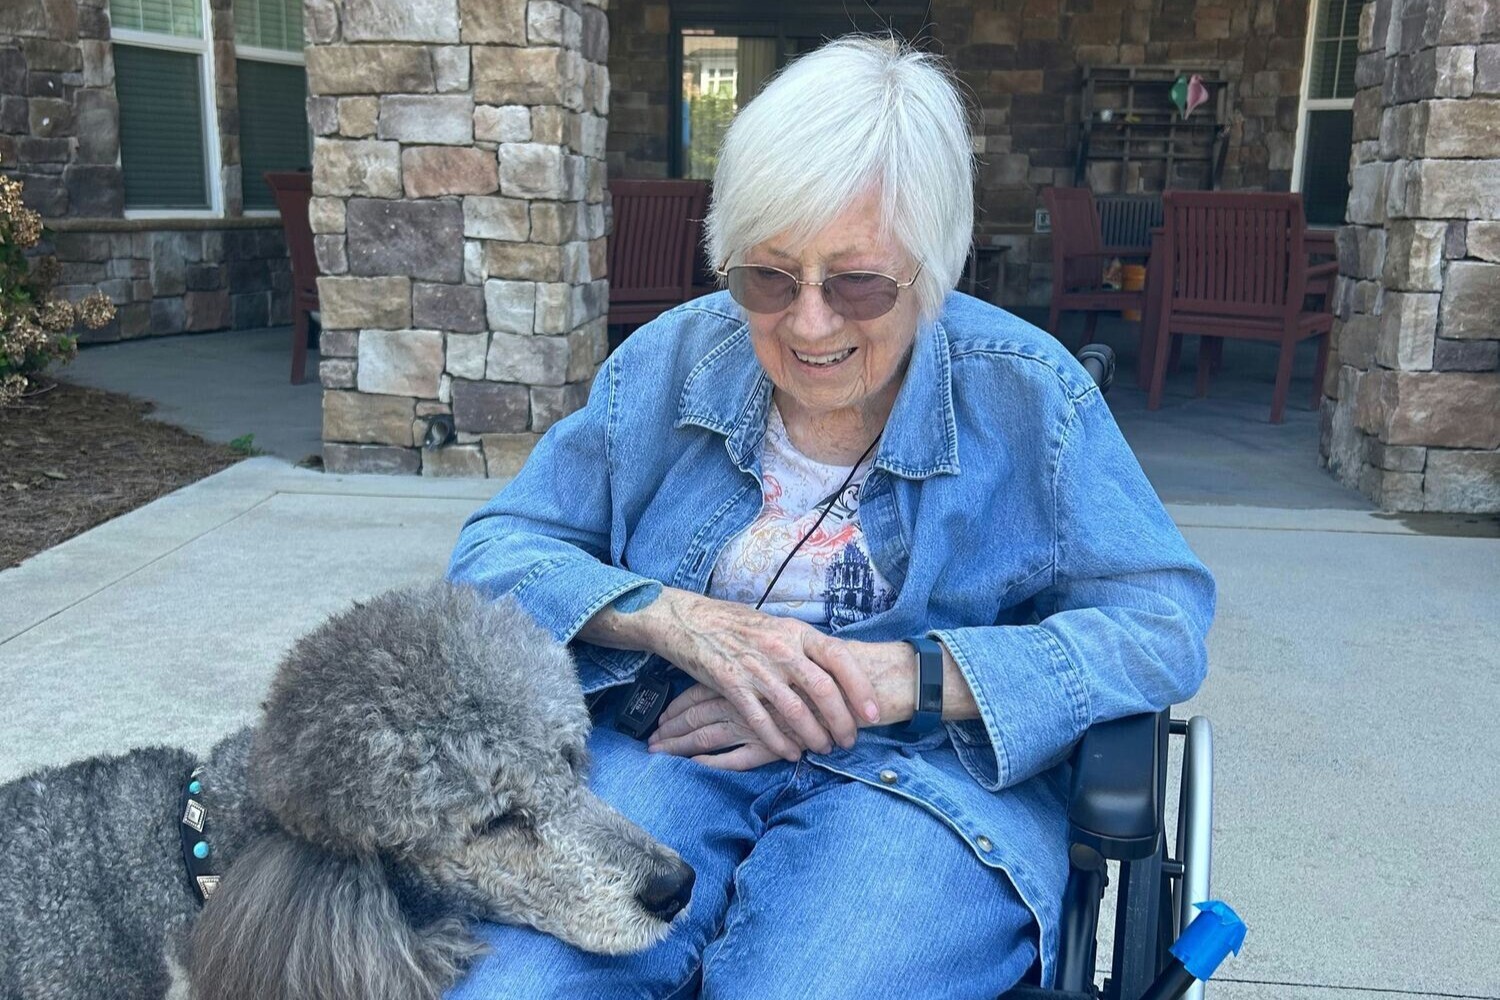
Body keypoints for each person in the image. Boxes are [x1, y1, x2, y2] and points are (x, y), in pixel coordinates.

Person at [446, 35, 1215, 1000]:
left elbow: (1162, 625)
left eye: (857, 283)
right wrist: (675, 618)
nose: (810, 324)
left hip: (926, 782)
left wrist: (902, 678)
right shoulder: (668, 363)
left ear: (932, 270)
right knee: (509, 989)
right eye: (770, 276)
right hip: (675, 745)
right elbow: (493, 552)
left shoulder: (1031, 400)